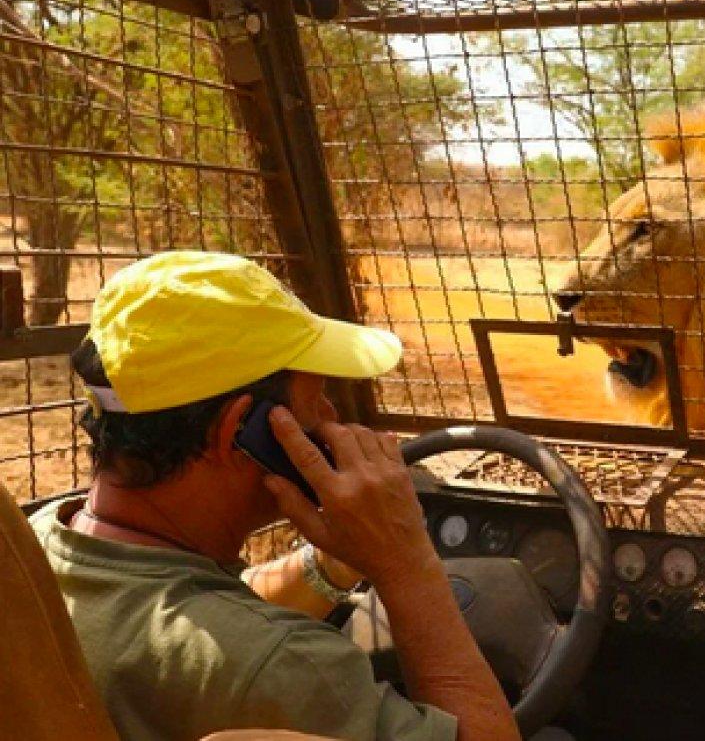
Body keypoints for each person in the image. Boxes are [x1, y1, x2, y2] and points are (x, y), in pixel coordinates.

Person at [30, 251, 520, 741]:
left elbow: (194, 614)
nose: (329, 414)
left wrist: (329, 567)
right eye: (315, 397)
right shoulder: (287, 666)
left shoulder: (35, 546)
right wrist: (407, 563)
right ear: (238, 432)